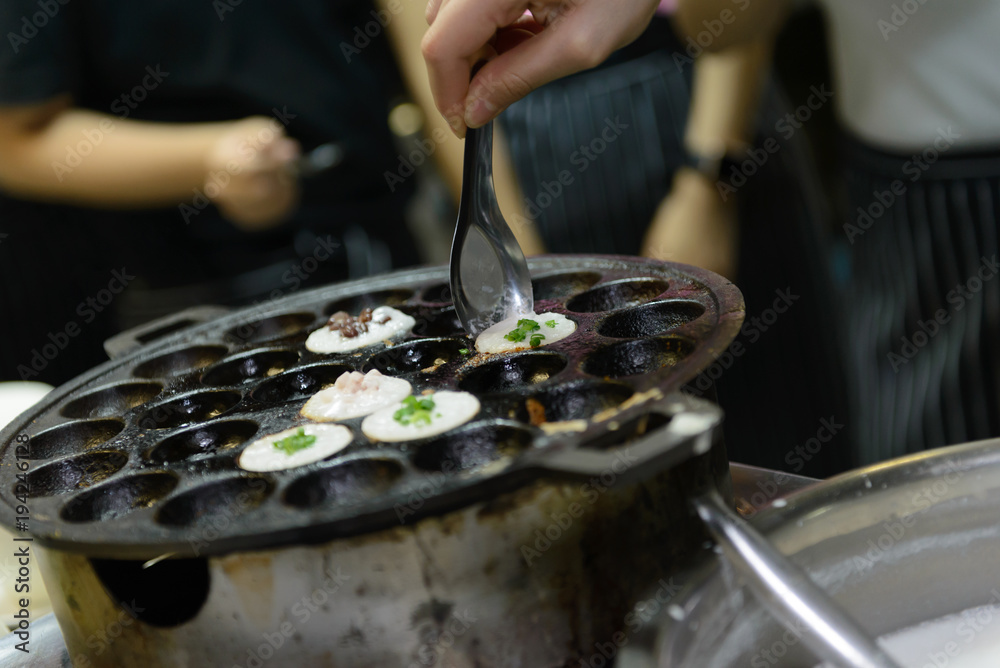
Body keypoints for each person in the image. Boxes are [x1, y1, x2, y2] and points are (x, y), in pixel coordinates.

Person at [423, 0, 1000, 466]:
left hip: (954, 137)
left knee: (867, 457)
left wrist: (709, 173)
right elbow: (719, 22)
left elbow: (723, 32)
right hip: (891, 148)